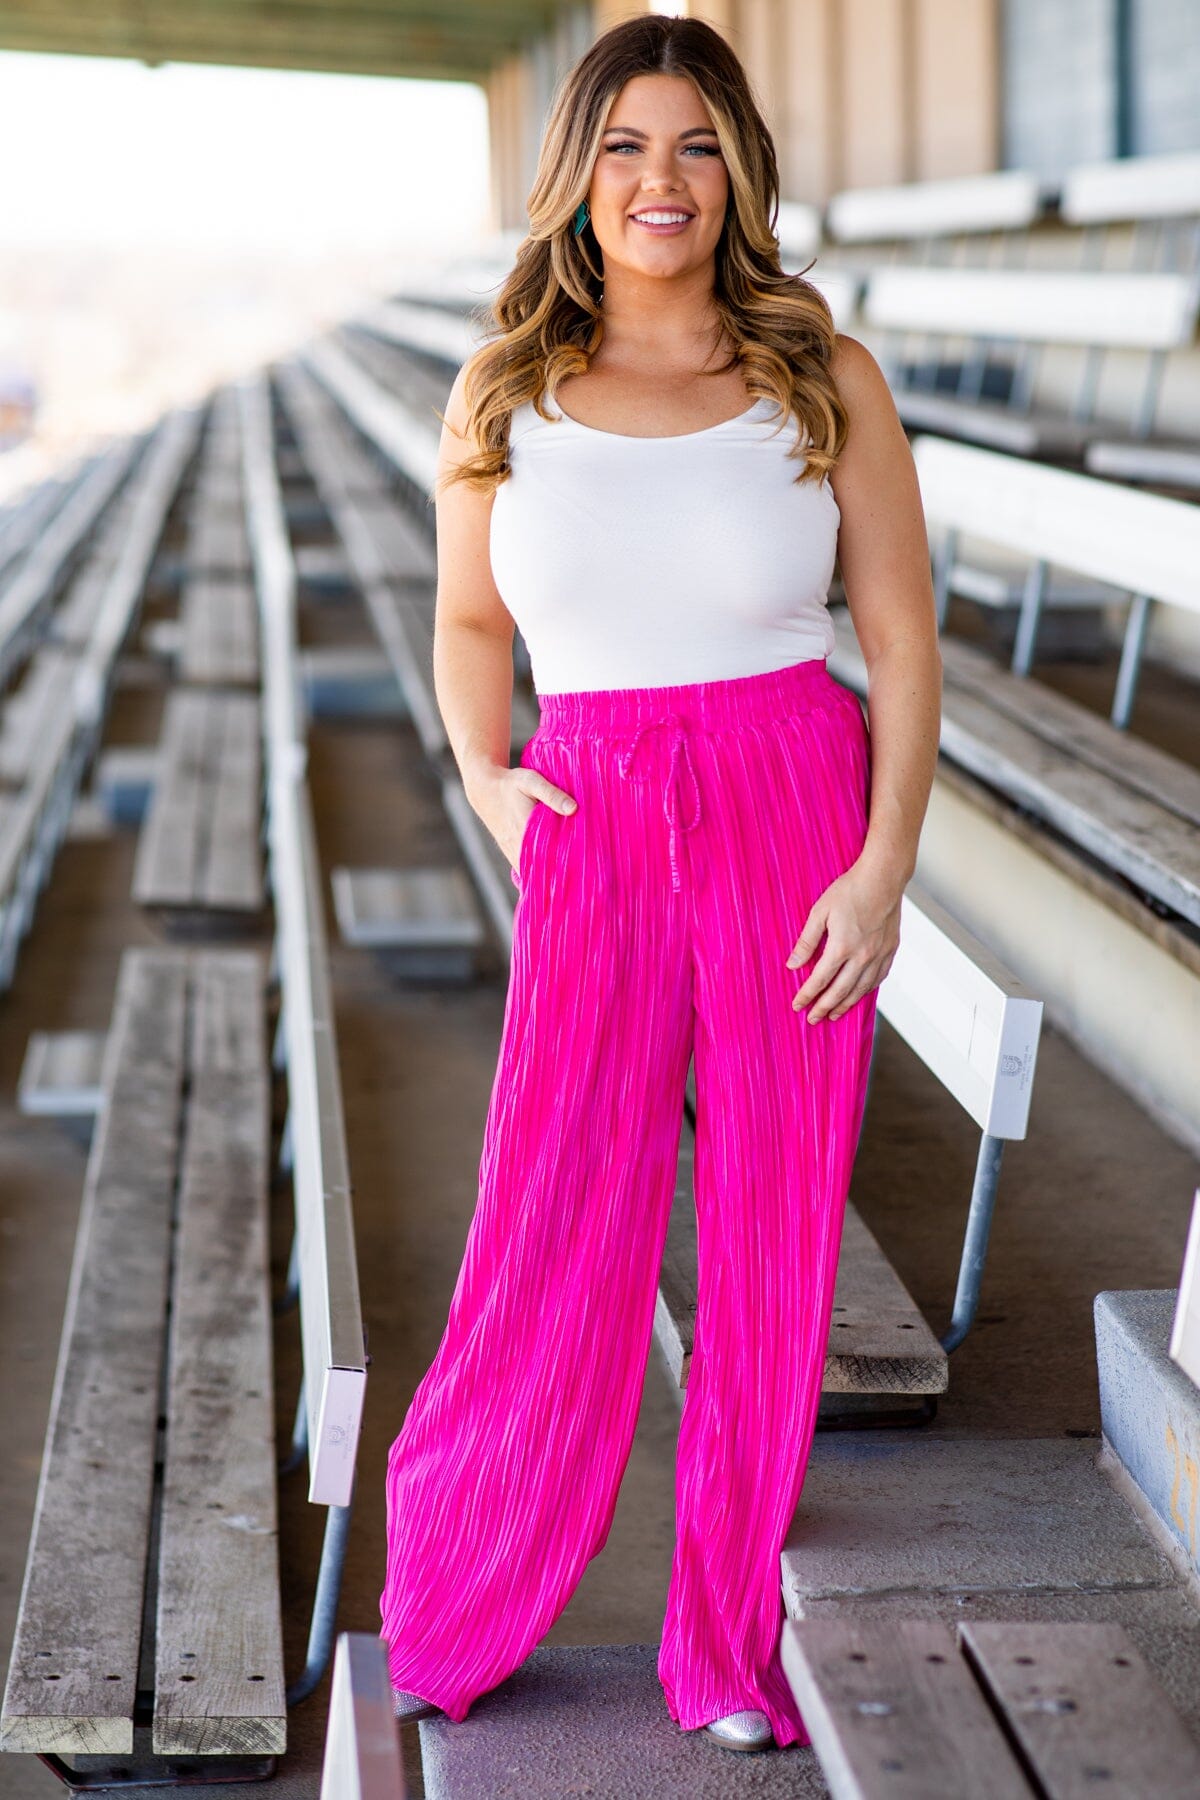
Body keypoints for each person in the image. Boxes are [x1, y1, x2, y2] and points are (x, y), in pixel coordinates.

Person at [379, 11, 941, 1758]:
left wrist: (881, 869)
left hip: (791, 799)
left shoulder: (821, 373)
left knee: (774, 1233)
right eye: (625, 145)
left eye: (697, 144)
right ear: (576, 174)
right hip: (596, 810)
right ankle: (460, 1597)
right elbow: (468, 621)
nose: (661, 179)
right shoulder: (504, 387)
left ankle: (723, 1651)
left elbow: (904, 646)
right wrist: (488, 776)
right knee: (553, 1212)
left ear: (740, 172)